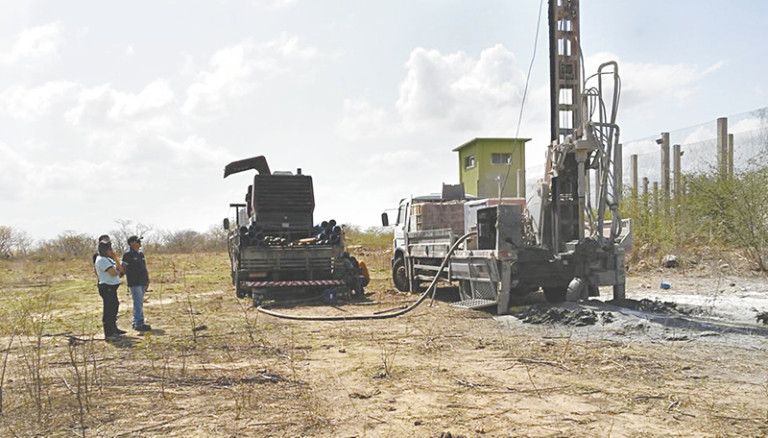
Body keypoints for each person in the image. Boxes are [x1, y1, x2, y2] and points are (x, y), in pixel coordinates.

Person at [94, 241, 125, 341]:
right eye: (109, 249)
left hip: (112, 288)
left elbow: (121, 270)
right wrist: (117, 271)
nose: (111, 251)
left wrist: (115, 258)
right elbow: (113, 273)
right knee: (108, 311)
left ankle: (114, 330)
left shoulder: (109, 259)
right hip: (106, 287)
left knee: (114, 308)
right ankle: (108, 334)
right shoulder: (101, 260)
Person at [121, 236, 152, 331]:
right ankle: (139, 322)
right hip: (134, 282)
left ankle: (136, 322)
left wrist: (147, 280)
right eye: (136, 241)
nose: (138, 243)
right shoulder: (127, 255)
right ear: (131, 243)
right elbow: (123, 268)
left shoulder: (141, 255)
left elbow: (144, 268)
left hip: (142, 281)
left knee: (139, 303)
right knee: (138, 302)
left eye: (139, 242)